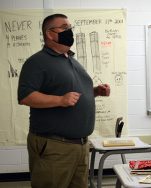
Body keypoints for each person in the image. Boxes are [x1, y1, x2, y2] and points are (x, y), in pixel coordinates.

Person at [17, 14, 110, 188]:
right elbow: (25, 97)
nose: (70, 31)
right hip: (55, 147)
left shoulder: (71, 60)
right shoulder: (37, 62)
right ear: (50, 34)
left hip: (81, 146)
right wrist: (60, 100)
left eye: (70, 27)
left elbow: (75, 94)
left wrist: (96, 91)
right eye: (65, 27)